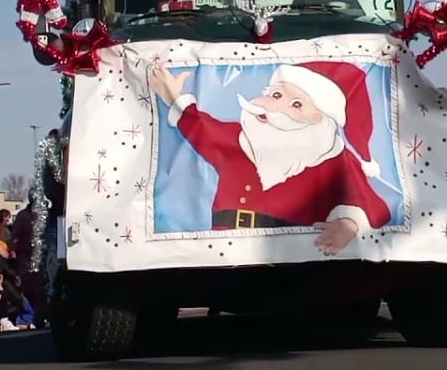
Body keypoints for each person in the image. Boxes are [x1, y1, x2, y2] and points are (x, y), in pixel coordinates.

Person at [149, 61, 392, 256]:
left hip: (296, 260)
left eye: (296, 104)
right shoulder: (242, 140)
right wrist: (174, 98)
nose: (277, 107)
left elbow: (368, 203)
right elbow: (202, 129)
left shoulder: (333, 159)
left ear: (322, 119)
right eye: (276, 95)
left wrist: (348, 224)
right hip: (223, 253)